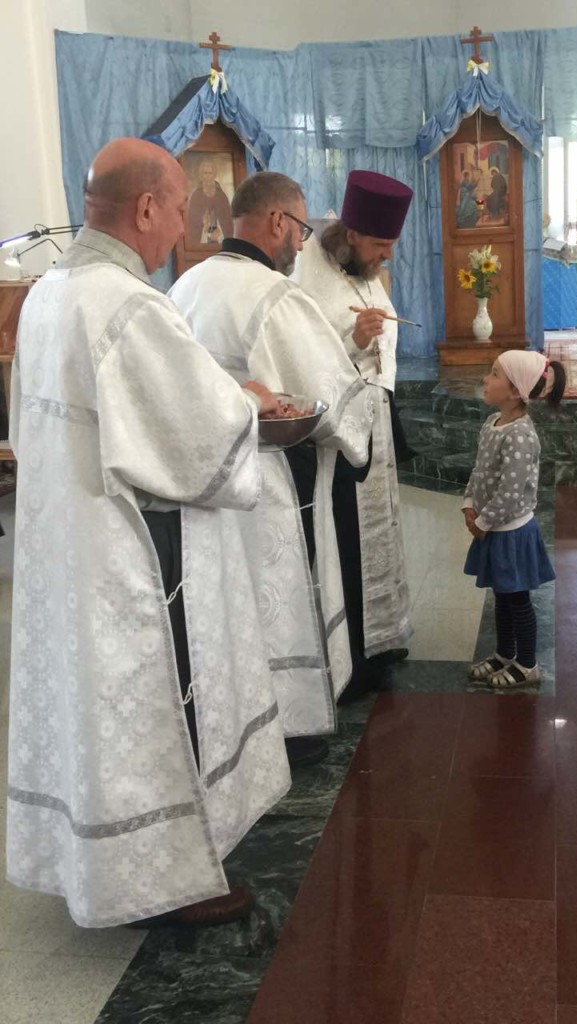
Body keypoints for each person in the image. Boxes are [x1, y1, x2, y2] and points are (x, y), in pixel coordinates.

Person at [7, 138, 291, 929]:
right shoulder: (128, 304)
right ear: (143, 208)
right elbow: (198, 437)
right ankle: (172, 881)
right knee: (163, 699)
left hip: (69, 547)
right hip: (136, 557)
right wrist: (247, 403)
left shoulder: (48, 296)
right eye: (177, 211)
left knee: (99, 716)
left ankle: (106, 867)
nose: (182, 229)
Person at [169, 172, 373, 748]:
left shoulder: (184, 286)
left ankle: (231, 716)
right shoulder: (276, 296)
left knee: (223, 598)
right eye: (300, 229)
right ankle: (290, 721)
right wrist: (359, 439)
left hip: (204, 480)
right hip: (271, 481)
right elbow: (330, 391)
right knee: (278, 595)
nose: (302, 245)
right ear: (278, 221)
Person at [293, 170, 414, 700]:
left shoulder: (365, 269)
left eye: (392, 245)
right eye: (381, 245)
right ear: (353, 234)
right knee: (348, 539)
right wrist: (353, 340)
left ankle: (383, 638)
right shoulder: (308, 278)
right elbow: (303, 358)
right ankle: (353, 656)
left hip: (375, 420)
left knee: (381, 531)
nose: (386, 255)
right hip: (339, 434)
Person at [463, 351, 566, 687]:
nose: (485, 379)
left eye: (494, 374)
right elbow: (480, 470)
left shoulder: (520, 435)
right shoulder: (492, 423)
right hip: (493, 528)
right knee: (502, 597)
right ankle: (505, 653)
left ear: (515, 391)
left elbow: (510, 492)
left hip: (511, 533)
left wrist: (482, 523)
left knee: (517, 600)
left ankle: (527, 664)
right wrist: (469, 503)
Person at [187, 157, 234, 244]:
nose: (208, 176)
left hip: (220, 240)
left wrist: (219, 231)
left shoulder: (221, 196)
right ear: (201, 175)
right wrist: (204, 225)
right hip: (201, 240)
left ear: (214, 174)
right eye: (205, 173)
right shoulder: (196, 196)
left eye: (210, 173)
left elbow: (227, 221)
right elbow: (192, 222)